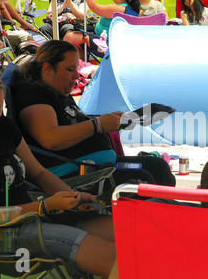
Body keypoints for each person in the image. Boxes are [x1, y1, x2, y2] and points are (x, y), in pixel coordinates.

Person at [0, 61, 116, 278]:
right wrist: (45, 206)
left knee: (124, 235)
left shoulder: (1, 126)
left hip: (32, 219)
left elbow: (38, 172)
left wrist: (74, 198)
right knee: (110, 257)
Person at [11, 40, 175, 192]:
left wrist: (110, 121)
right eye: (70, 69)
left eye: (76, 68)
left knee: (158, 166)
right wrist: (97, 124)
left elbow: (71, 123)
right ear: (47, 68)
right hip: (73, 173)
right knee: (141, 180)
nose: (76, 76)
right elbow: (50, 138)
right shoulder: (33, 95)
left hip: (94, 166)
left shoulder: (57, 91)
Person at [63, 0, 140, 59]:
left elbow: (93, 6)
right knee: (75, 39)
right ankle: (81, 67)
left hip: (103, 44)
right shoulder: (127, 8)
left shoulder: (117, 10)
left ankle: (80, 67)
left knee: (70, 38)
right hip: (100, 39)